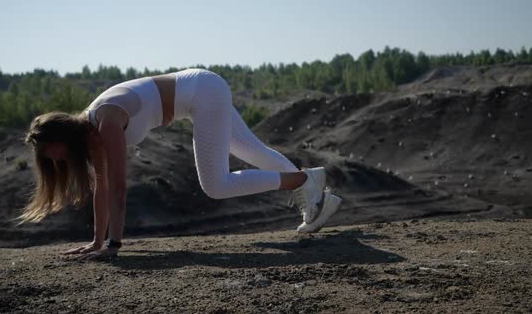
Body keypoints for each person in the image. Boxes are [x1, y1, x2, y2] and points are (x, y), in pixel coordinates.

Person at [19, 68, 342, 261]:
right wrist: (97, 242)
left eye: (51, 152)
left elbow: (118, 187)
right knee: (251, 150)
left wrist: (115, 245)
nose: (54, 159)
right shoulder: (92, 133)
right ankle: (314, 196)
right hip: (202, 88)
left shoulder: (106, 122)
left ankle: (302, 183)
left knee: (215, 185)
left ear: (63, 136)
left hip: (202, 93)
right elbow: (102, 187)